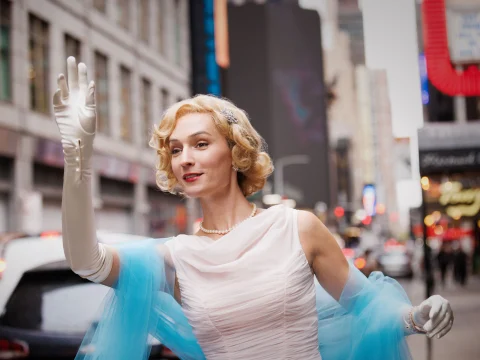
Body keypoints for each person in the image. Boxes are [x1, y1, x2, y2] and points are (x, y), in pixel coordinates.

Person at [53, 57, 454, 360]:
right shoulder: (177, 257)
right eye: (176, 150)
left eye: (201, 143)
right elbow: (87, 262)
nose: (185, 158)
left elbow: (370, 307)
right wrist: (76, 157)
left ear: (235, 151)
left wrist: (417, 315)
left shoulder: (298, 227)